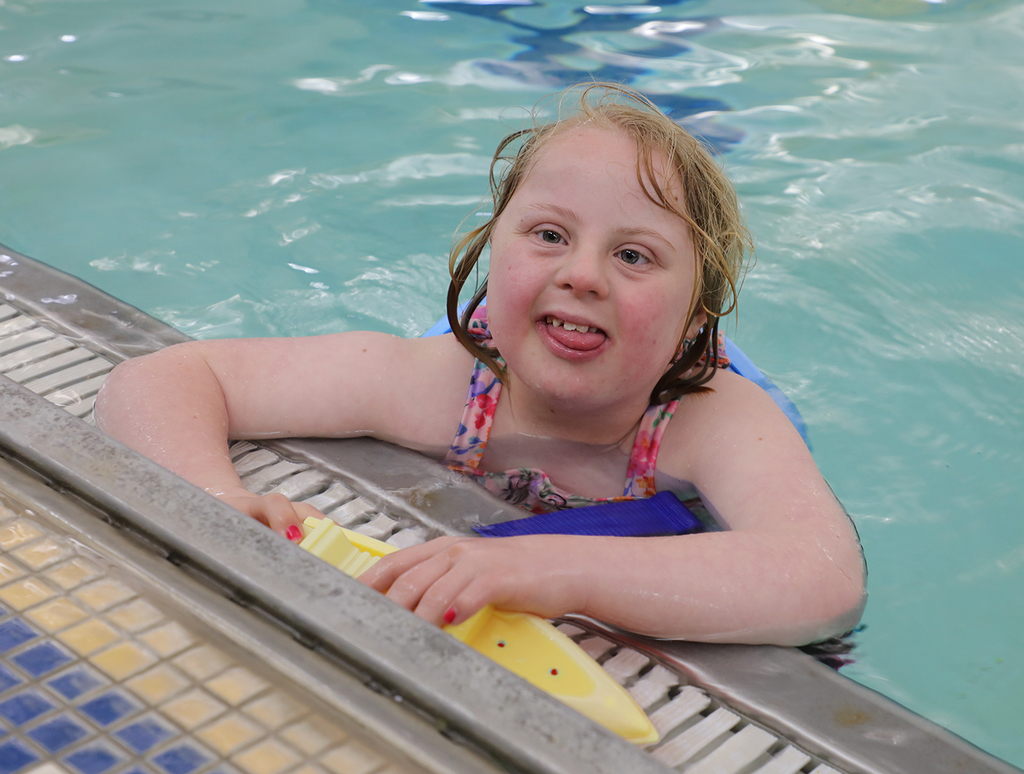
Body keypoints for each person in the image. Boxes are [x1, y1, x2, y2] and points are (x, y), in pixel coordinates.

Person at [95, 83, 865, 646]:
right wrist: (211, 496)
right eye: (550, 236)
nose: (584, 275)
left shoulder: (710, 421)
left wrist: (552, 571)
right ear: (493, 257)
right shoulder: (449, 385)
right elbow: (163, 379)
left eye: (634, 255)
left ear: (695, 317)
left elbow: (825, 581)